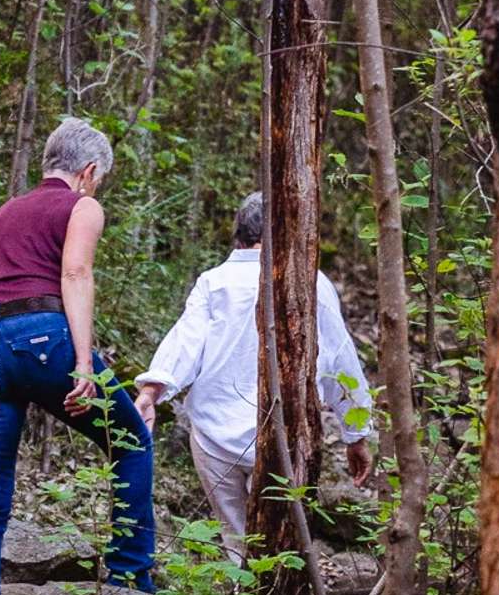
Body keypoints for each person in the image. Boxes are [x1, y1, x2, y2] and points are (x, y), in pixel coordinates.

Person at [0, 118, 155, 595]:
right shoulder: (81, 207)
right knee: (131, 442)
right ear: (88, 173)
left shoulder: (1, 214)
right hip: (46, 340)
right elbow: (75, 272)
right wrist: (84, 364)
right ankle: (130, 581)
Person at [134, 192, 374, 558]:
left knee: (237, 540)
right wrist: (355, 434)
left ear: (239, 235)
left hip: (215, 434)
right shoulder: (312, 282)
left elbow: (185, 341)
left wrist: (151, 391)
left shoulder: (215, 282)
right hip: (284, 435)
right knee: (283, 544)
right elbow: (340, 361)